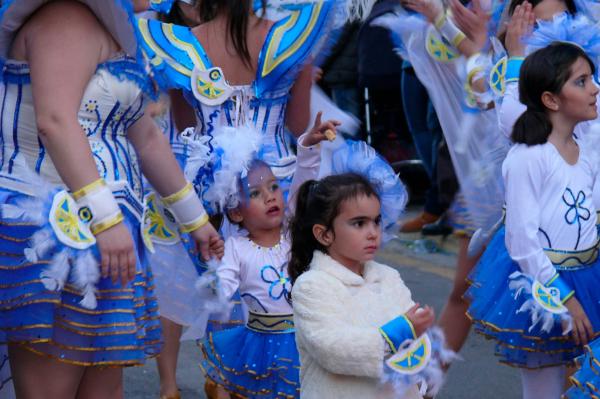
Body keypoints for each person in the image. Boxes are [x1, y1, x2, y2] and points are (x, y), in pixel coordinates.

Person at [0, 1, 221, 397]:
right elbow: (55, 121)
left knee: (103, 388)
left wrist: (197, 222)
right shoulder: (63, 15)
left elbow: (148, 138)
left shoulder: (113, 30)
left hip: (107, 234)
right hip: (51, 233)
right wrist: (106, 219)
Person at [466, 43, 600, 399]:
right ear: (551, 100)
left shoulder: (584, 151)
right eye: (582, 81)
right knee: (543, 387)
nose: (595, 88)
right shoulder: (528, 158)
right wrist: (564, 298)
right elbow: (521, 241)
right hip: (544, 286)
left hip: (589, 275)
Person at [198, 113, 338, 399]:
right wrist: (211, 265)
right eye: (256, 193)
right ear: (236, 211)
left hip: (306, 336)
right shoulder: (236, 248)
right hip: (261, 344)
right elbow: (220, 291)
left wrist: (309, 147)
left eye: (274, 187)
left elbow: (303, 182)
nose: (271, 196)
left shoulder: (293, 232)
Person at [289, 173, 436, 399]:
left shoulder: (389, 277)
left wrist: (420, 380)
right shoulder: (312, 286)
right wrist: (400, 332)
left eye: (376, 221)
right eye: (359, 223)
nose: (372, 233)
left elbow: (414, 342)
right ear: (324, 234)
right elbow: (332, 349)